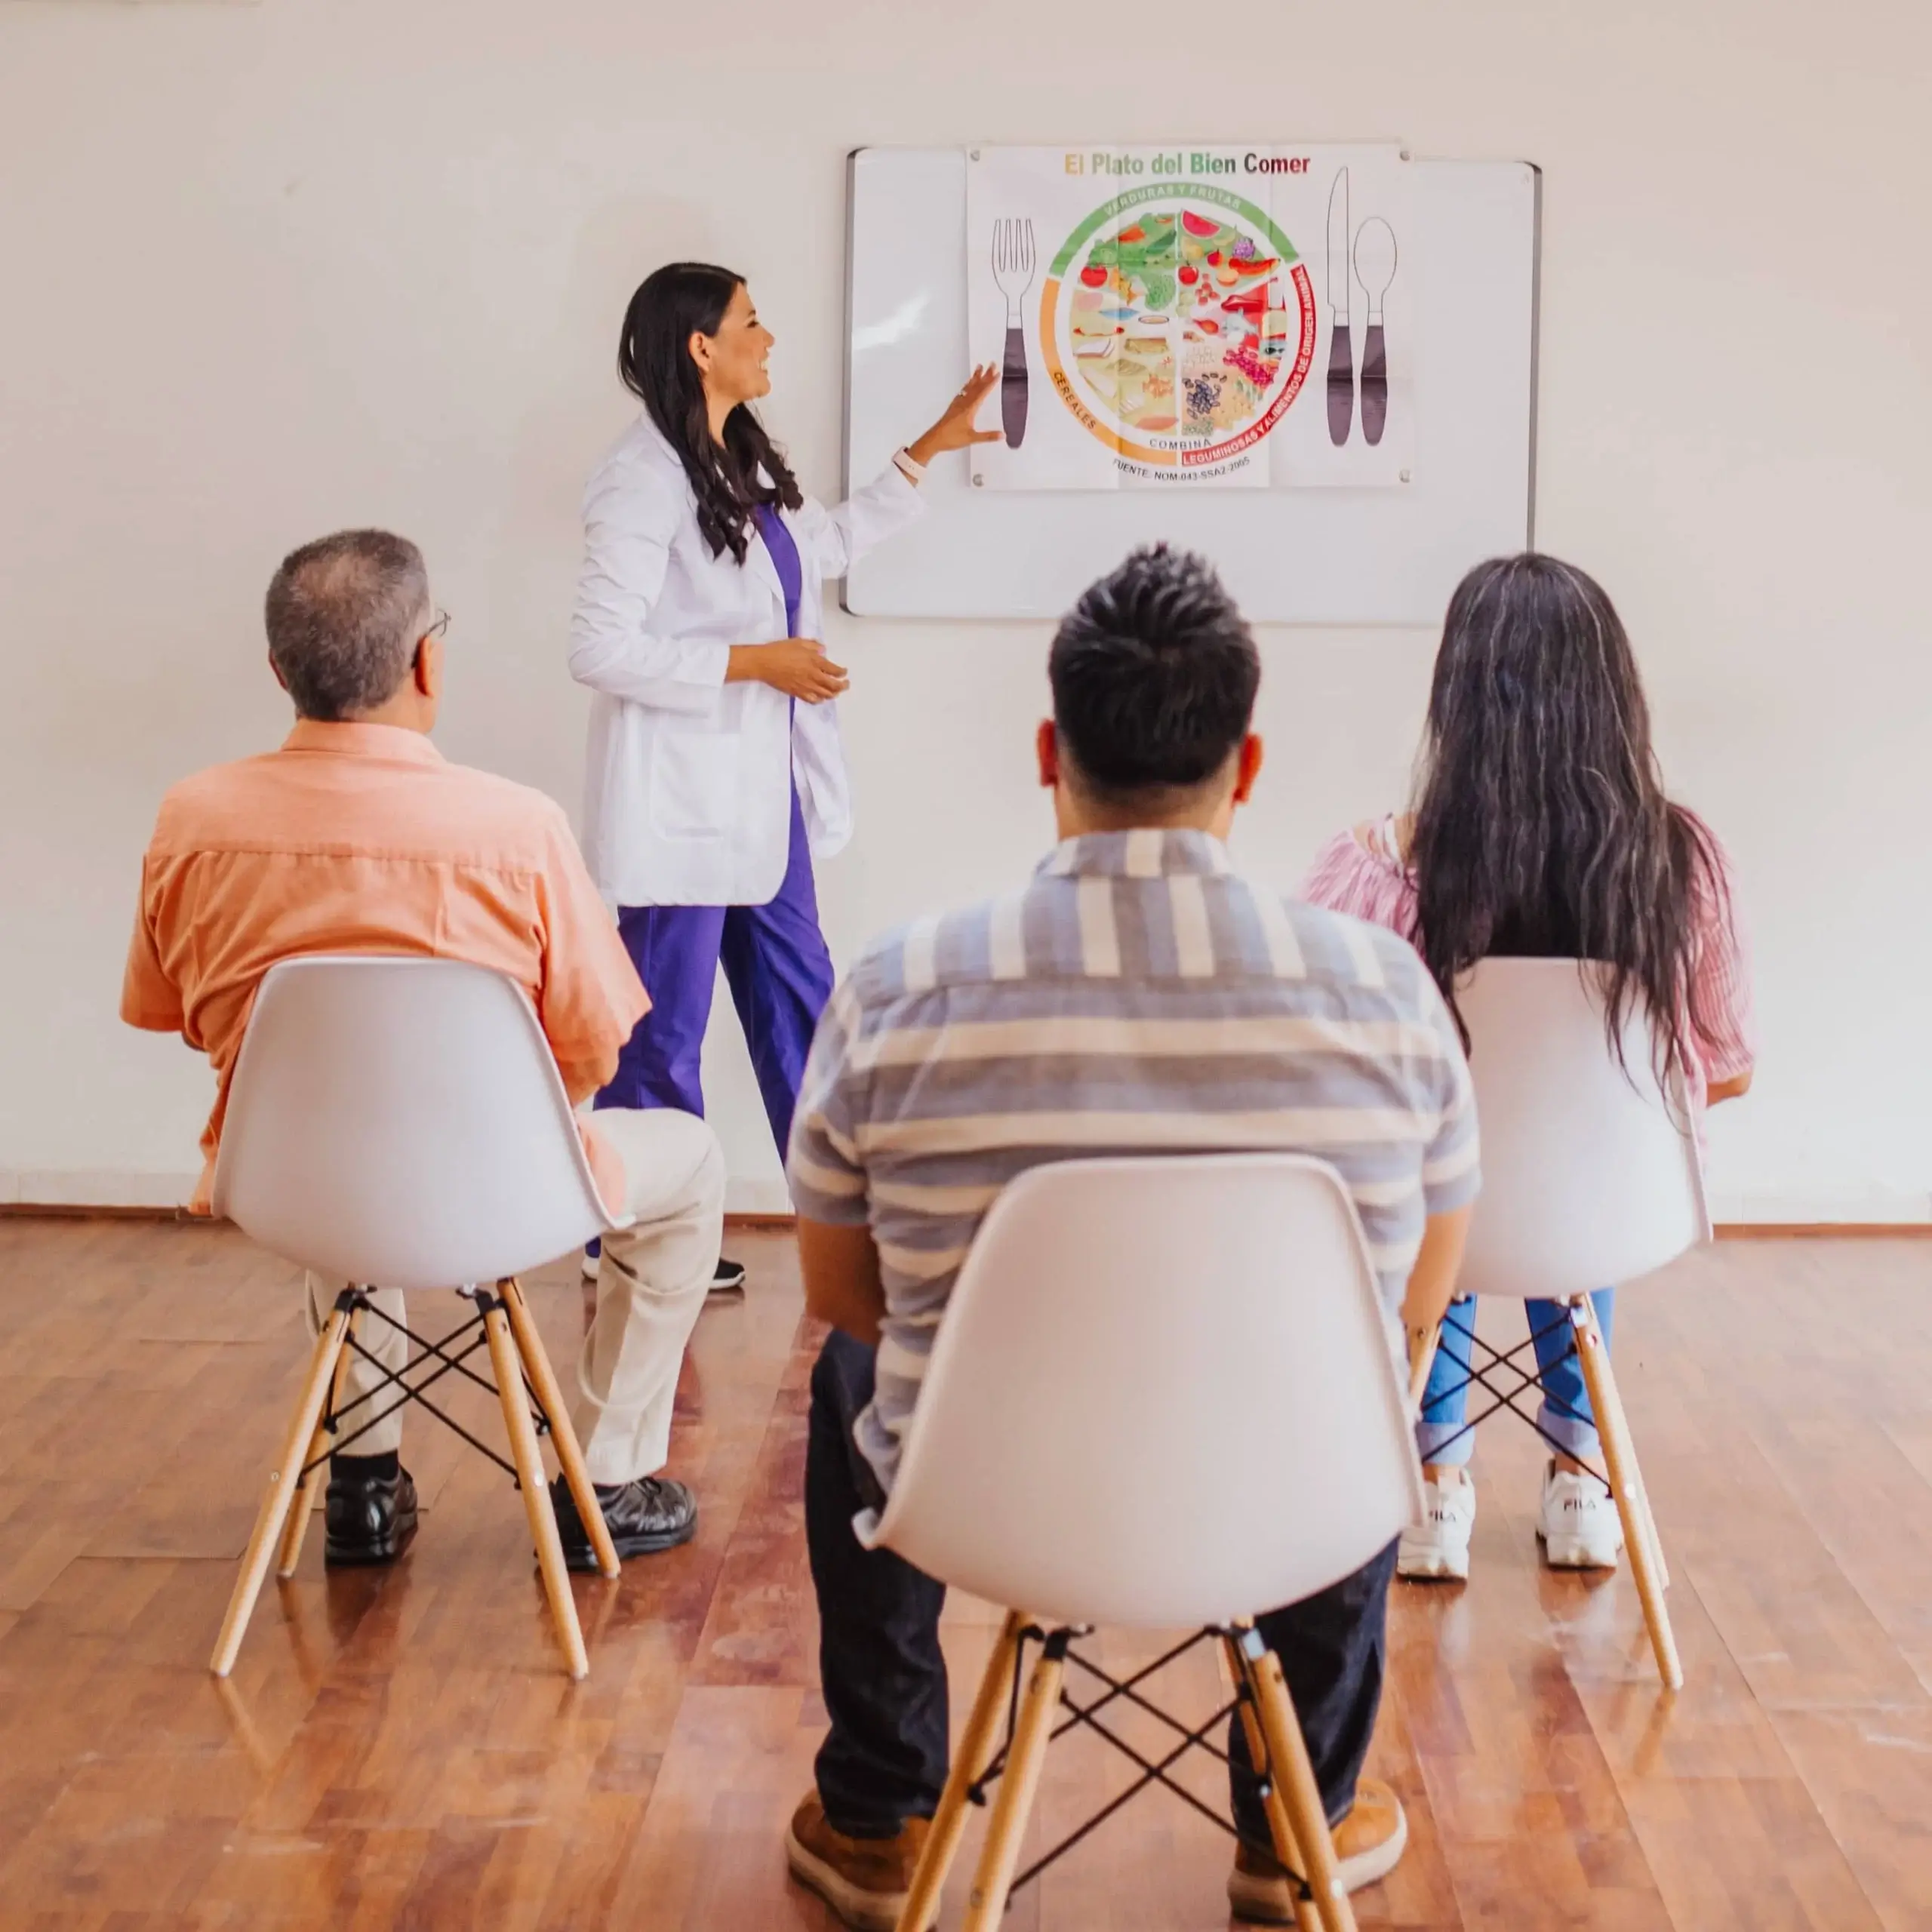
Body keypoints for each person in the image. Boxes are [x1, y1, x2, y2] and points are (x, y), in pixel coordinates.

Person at [778, 545, 1481, 1932]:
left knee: (852, 1382)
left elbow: (845, 1294)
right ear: (1251, 761)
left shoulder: (900, 984)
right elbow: (1423, 1289)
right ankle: (1300, 1826)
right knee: (1364, 1377)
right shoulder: (1383, 994)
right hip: (1294, 1490)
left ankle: (879, 1810)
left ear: (1049, 748)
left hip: (988, 1492)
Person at [122, 530, 728, 1571]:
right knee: (693, 1164)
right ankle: (605, 1482)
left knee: (324, 1123)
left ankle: (361, 1480)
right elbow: (589, 1048)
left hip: (291, 1185)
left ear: (279, 673)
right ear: (426, 662)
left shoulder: (193, 819)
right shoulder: (517, 828)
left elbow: (182, 1014)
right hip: (505, 1193)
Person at [1301, 552, 1756, 1581]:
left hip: (1431, 1228)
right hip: (1599, 1214)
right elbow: (1724, 1067)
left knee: (1442, 1169)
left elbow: (1323, 1073)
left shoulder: (1371, 869)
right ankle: (1581, 1477)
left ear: (1454, 699)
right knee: (1565, 1169)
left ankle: (1433, 1482)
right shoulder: (1682, 867)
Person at [569, 260, 998, 1293]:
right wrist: (756, 665)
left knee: (803, 1007)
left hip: (763, 805)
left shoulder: (731, 462)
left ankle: (850, 1230)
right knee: (664, 1033)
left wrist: (925, 453)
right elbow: (599, 646)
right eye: (751, 324)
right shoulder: (641, 480)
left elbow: (816, 548)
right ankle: (634, 1236)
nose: (769, 339)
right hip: (677, 811)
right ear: (700, 348)